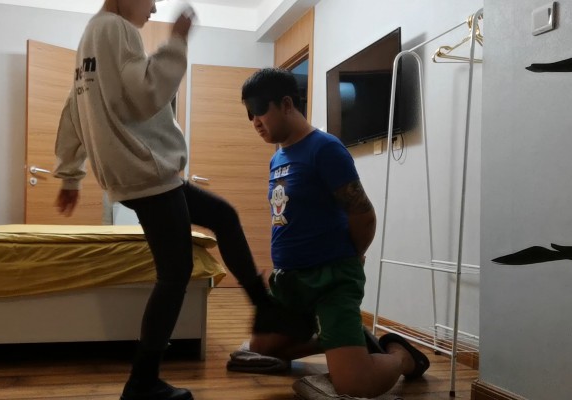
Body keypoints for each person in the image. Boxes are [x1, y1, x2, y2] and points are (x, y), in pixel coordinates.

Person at [52, 1, 273, 399]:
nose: (154, 8)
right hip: (146, 172)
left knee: (222, 215)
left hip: (141, 175)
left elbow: (73, 109)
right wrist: (176, 43)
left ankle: (266, 309)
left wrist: (70, 173)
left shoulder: (92, 35)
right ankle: (142, 382)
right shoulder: (117, 29)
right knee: (175, 272)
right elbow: (147, 93)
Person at [235, 68, 430, 398]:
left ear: (286, 104)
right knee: (262, 349)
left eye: (259, 109)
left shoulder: (324, 148)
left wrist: (351, 258)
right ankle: (339, 340)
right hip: (290, 281)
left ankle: (401, 356)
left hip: (330, 280)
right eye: (249, 114)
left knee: (355, 384)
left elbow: (363, 214)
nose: (254, 121)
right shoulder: (278, 157)